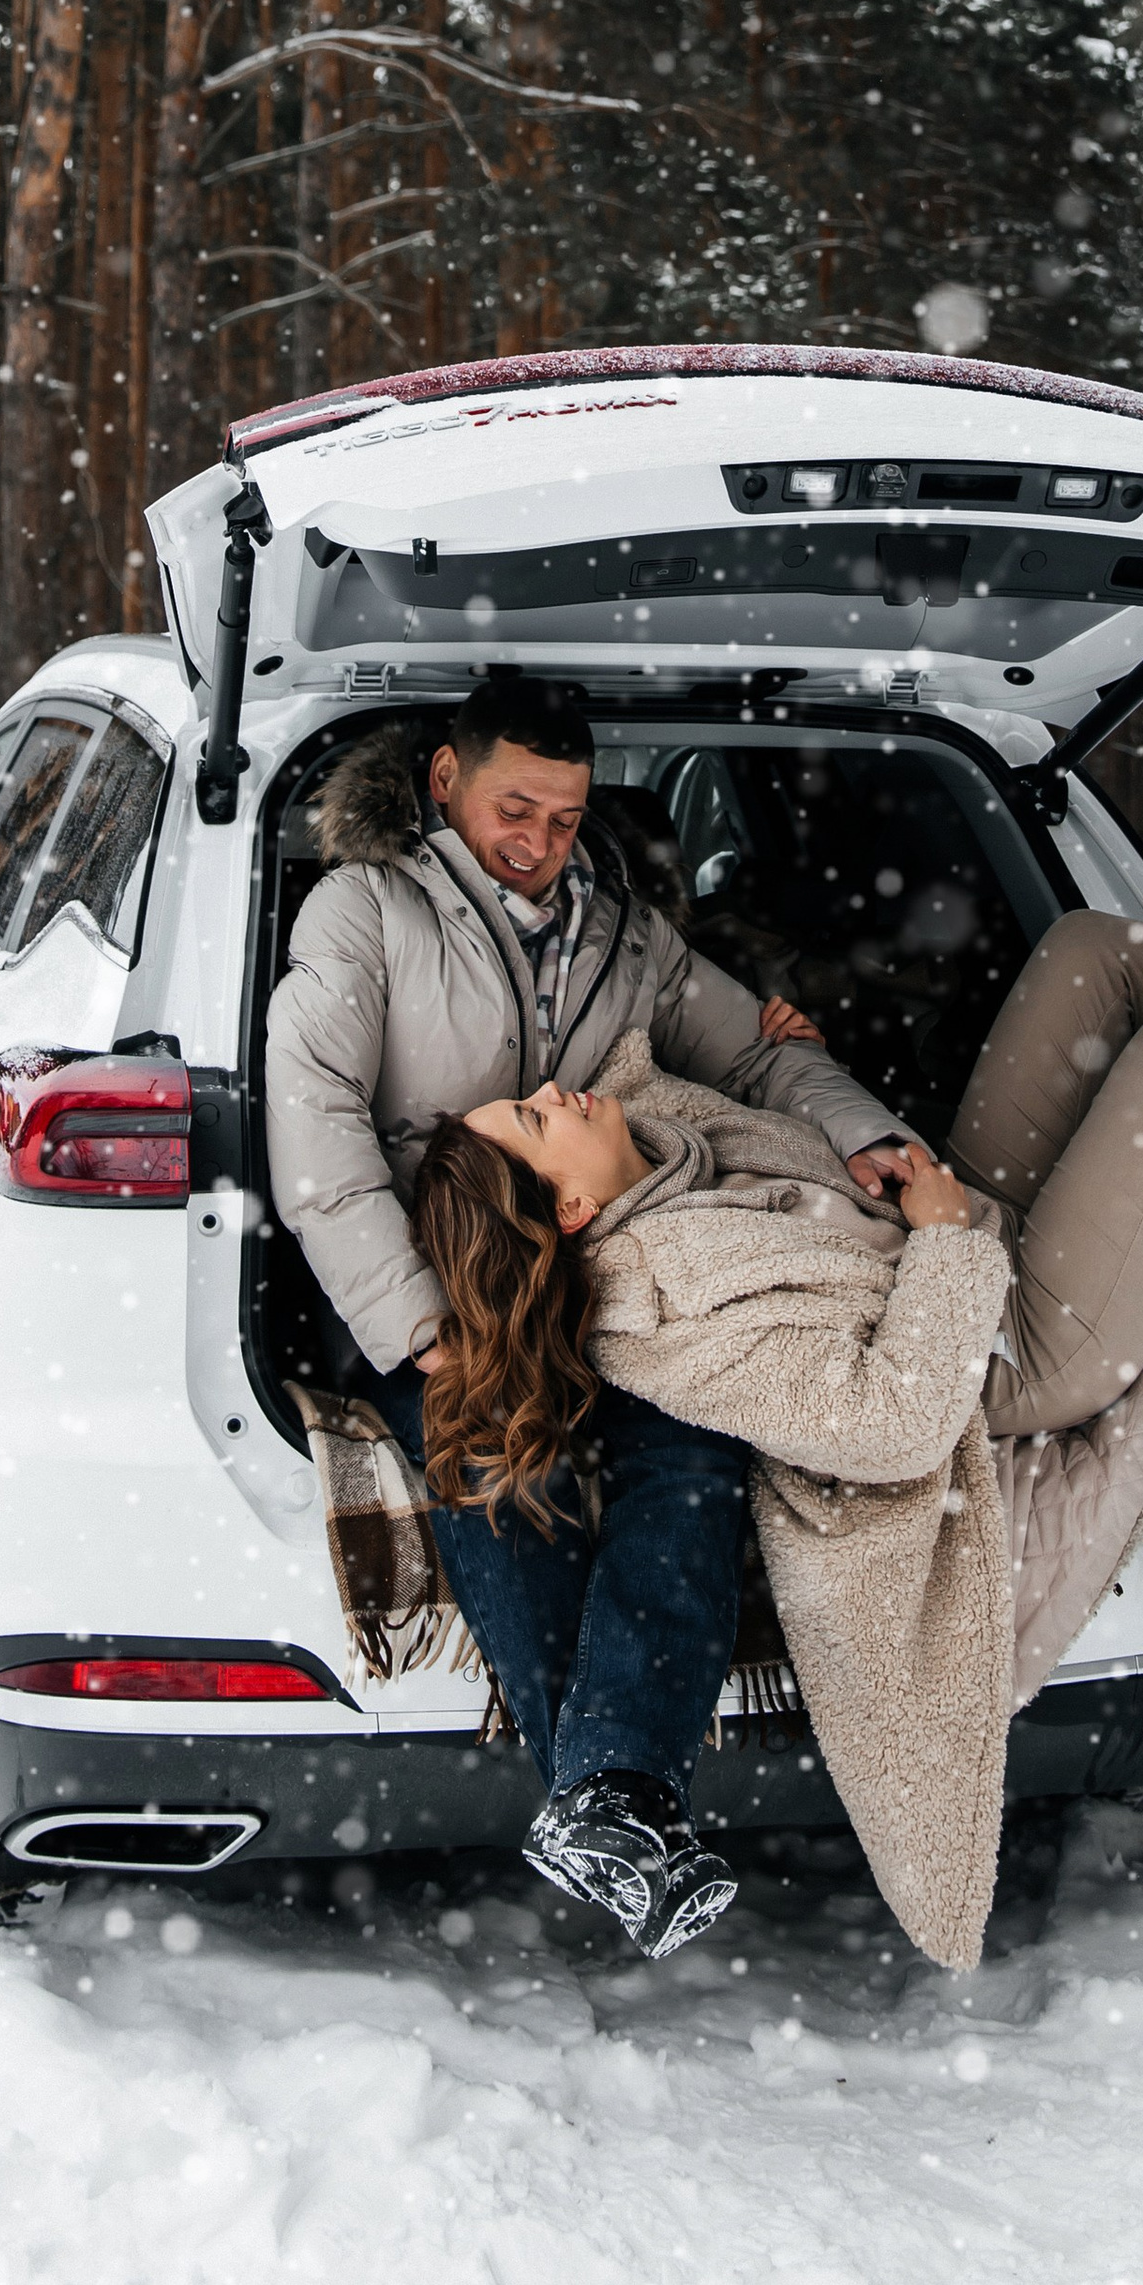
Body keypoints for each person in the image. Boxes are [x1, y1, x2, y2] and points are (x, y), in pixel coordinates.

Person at [410, 818, 1143, 1964]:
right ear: (564, 1215)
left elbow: (655, 1056)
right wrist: (949, 1245)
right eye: (529, 1116)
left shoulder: (653, 1138)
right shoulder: (659, 1321)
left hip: (954, 1234)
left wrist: (790, 1051)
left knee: (1084, 954)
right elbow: (895, 1422)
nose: (550, 1090)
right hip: (1014, 1347)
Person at [262, 672, 920, 1957]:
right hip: (441, 1277)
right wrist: (417, 1327)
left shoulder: (625, 934)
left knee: (688, 1456)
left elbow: (760, 1055)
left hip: (603, 1269)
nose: (543, 842)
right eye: (517, 808)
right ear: (445, 784)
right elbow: (316, 1136)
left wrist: (864, 1132)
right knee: (510, 1460)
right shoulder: (365, 911)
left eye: (568, 817)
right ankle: (616, 1794)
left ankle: (607, 1800)